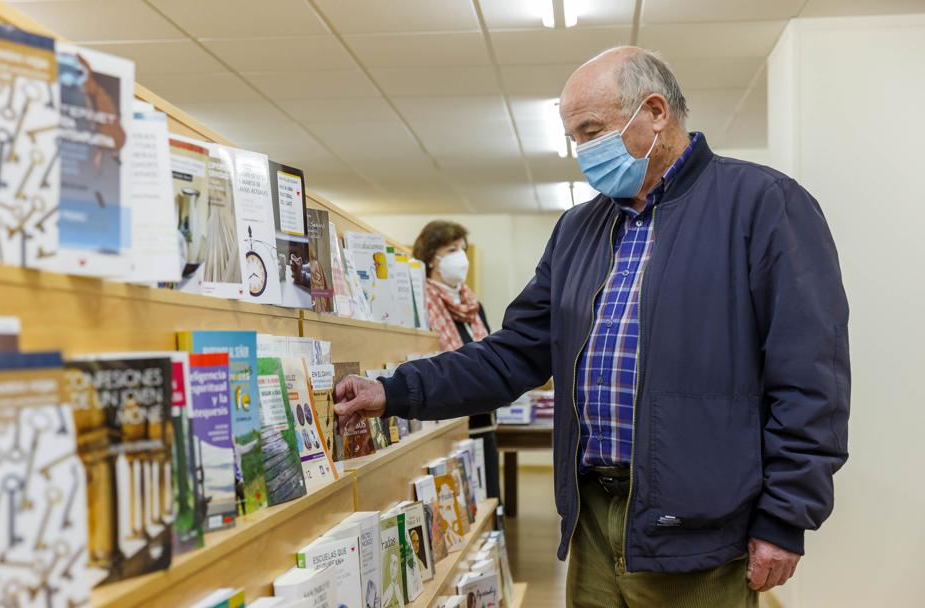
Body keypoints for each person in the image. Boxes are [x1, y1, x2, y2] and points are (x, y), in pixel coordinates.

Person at [336, 46, 850, 608]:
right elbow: (513, 353)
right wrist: (393, 391)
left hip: (700, 530)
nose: (582, 151)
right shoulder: (579, 229)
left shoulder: (762, 204)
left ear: (655, 112)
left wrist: (784, 517)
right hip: (592, 519)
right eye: (574, 137)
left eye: (591, 130)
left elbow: (810, 379)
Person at [411, 221, 501, 502]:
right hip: (445, 420)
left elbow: (486, 354)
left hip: (482, 419)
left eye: (462, 249)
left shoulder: (473, 305)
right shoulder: (420, 302)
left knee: (489, 500)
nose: (460, 257)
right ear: (430, 259)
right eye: (452, 250)